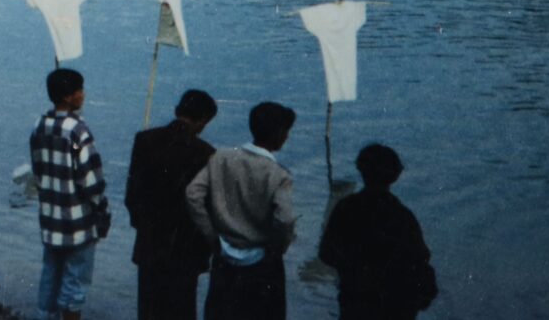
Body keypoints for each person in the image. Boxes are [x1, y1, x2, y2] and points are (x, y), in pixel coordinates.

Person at [184, 101, 296, 320]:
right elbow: (285, 220)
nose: (287, 137)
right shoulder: (278, 175)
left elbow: (193, 194)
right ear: (280, 134)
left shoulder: (222, 157)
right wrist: (277, 248)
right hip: (262, 262)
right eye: (286, 132)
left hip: (225, 255)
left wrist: (211, 235)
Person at [127, 89, 219, 320]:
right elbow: (206, 208)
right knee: (182, 309)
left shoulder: (144, 140)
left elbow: (132, 196)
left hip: (150, 242)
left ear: (178, 111)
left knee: (148, 309)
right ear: (203, 120)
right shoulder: (207, 153)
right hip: (186, 249)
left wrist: (144, 226)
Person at [317, 145, 437, 319]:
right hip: (395, 304)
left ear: (361, 170)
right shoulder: (402, 215)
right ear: (395, 175)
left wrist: (352, 270)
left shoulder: (345, 208)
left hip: (355, 300)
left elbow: (326, 253)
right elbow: (419, 257)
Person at [30, 67, 110, 320]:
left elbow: (38, 170)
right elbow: (91, 180)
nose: (82, 95)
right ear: (68, 97)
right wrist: (102, 209)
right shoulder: (78, 131)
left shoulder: (40, 125)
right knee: (75, 283)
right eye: (79, 91)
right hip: (78, 223)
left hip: (50, 218)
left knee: (50, 275)